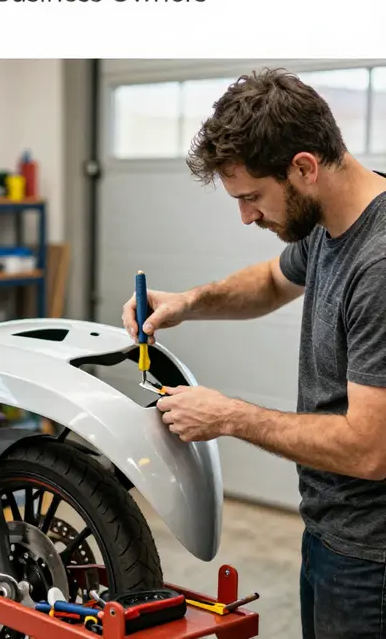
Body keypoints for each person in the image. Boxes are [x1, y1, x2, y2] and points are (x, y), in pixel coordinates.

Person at [122, 69, 386, 639]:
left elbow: (370, 450)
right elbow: (270, 281)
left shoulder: (379, 266)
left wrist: (228, 416)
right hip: (330, 531)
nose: (246, 217)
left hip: (372, 560)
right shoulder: (327, 219)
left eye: (251, 197)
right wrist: (188, 302)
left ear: (304, 167)